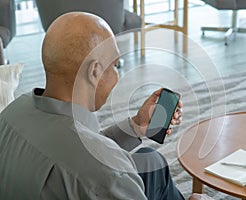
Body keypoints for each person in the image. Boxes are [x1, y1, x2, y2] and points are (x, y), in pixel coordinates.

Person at [0, 12, 210, 200]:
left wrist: (136, 126)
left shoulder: (12, 112)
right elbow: (96, 165)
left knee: (151, 160)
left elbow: (79, 150)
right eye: (115, 65)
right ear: (94, 72)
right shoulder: (107, 176)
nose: (117, 74)